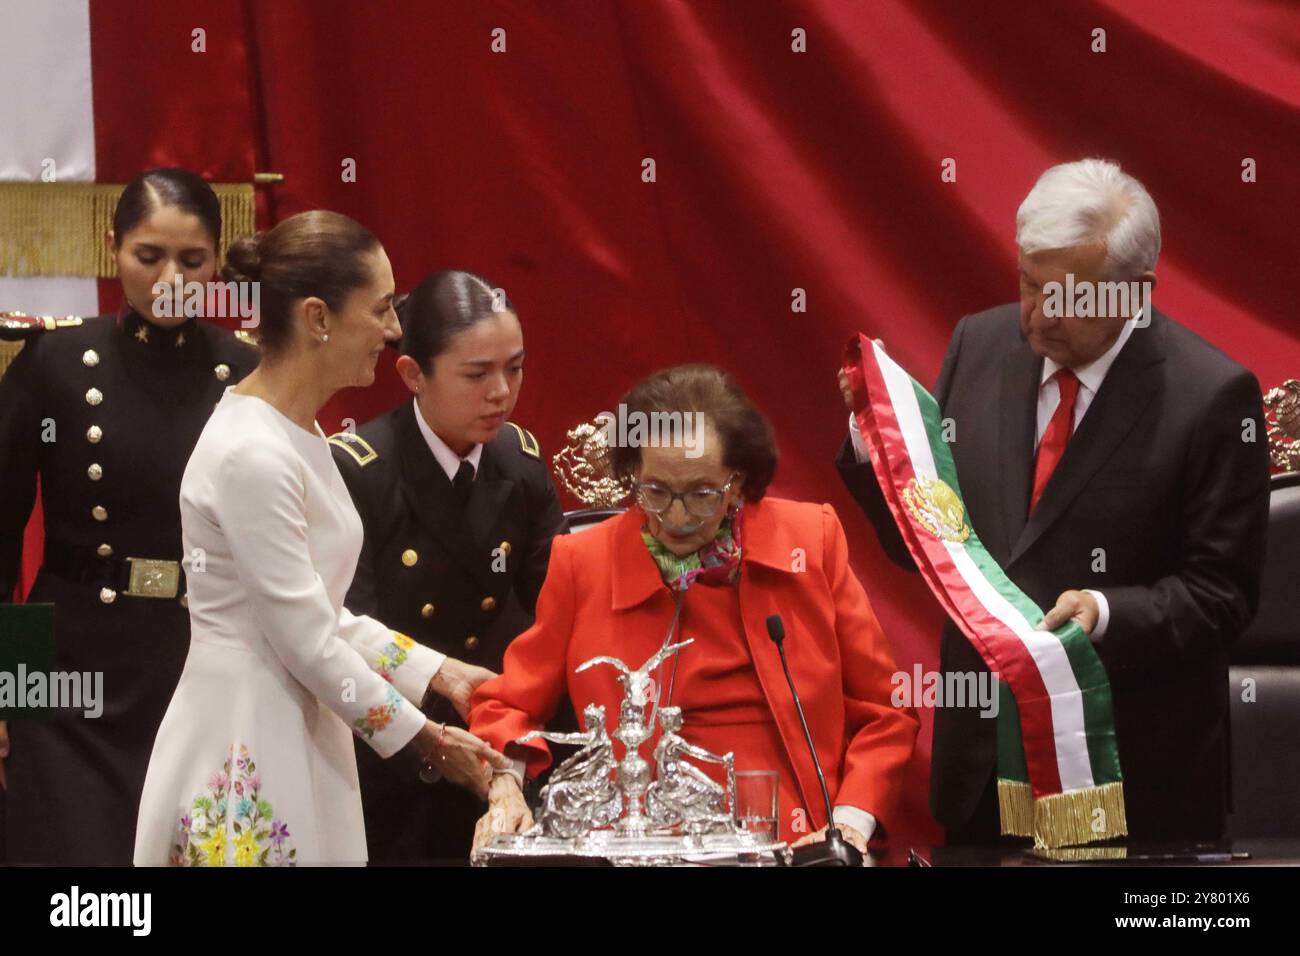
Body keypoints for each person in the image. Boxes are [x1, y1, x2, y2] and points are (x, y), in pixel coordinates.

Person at [836, 159, 1270, 844]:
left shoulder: (1212, 397)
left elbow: (1222, 596)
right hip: (981, 781)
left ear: (1136, 292)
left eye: (1068, 297)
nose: (1038, 317)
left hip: (1127, 784)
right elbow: (931, 546)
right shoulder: (978, 344)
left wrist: (1101, 613)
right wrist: (876, 447)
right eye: (1029, 284)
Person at [132, 211, 507, 866]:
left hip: (293, 721)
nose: (393, 331)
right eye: (383, 308)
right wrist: (429, 742)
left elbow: (320, 613)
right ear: (317, 318)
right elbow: (306, 639)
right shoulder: (253, 451)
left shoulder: (292, 432)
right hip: (247, 736)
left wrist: (439, 672)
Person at [469, 364, 918, 857]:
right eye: (656, 492)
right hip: (640, 845)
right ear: (631, 475)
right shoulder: (583, 564)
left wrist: (849, 826)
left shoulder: (811, 543)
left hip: (795, 843)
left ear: (738, 482)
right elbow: (506, 705)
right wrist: (504, 787)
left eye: (702, 494)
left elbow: (886, 713)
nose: (676, 518)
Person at [0, 168, 260, 865]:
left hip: (197, 663)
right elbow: (3, 539)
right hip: (68, 676)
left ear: (217, 259)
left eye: (192, 260)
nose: (170, 277)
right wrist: (8, 683)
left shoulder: (245, 375)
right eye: (149, 256)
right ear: (113, 248)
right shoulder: (53, 360)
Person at [330, 269, 566, 862]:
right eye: (476, 374)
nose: (501, 392)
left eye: (514, 367)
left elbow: (555, 617)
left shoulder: (521, 461)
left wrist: (510, 745)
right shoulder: (360, 470)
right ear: (413, 374)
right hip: (391, 751)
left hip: (498, 736)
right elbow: (342, 635)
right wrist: (436, 743)